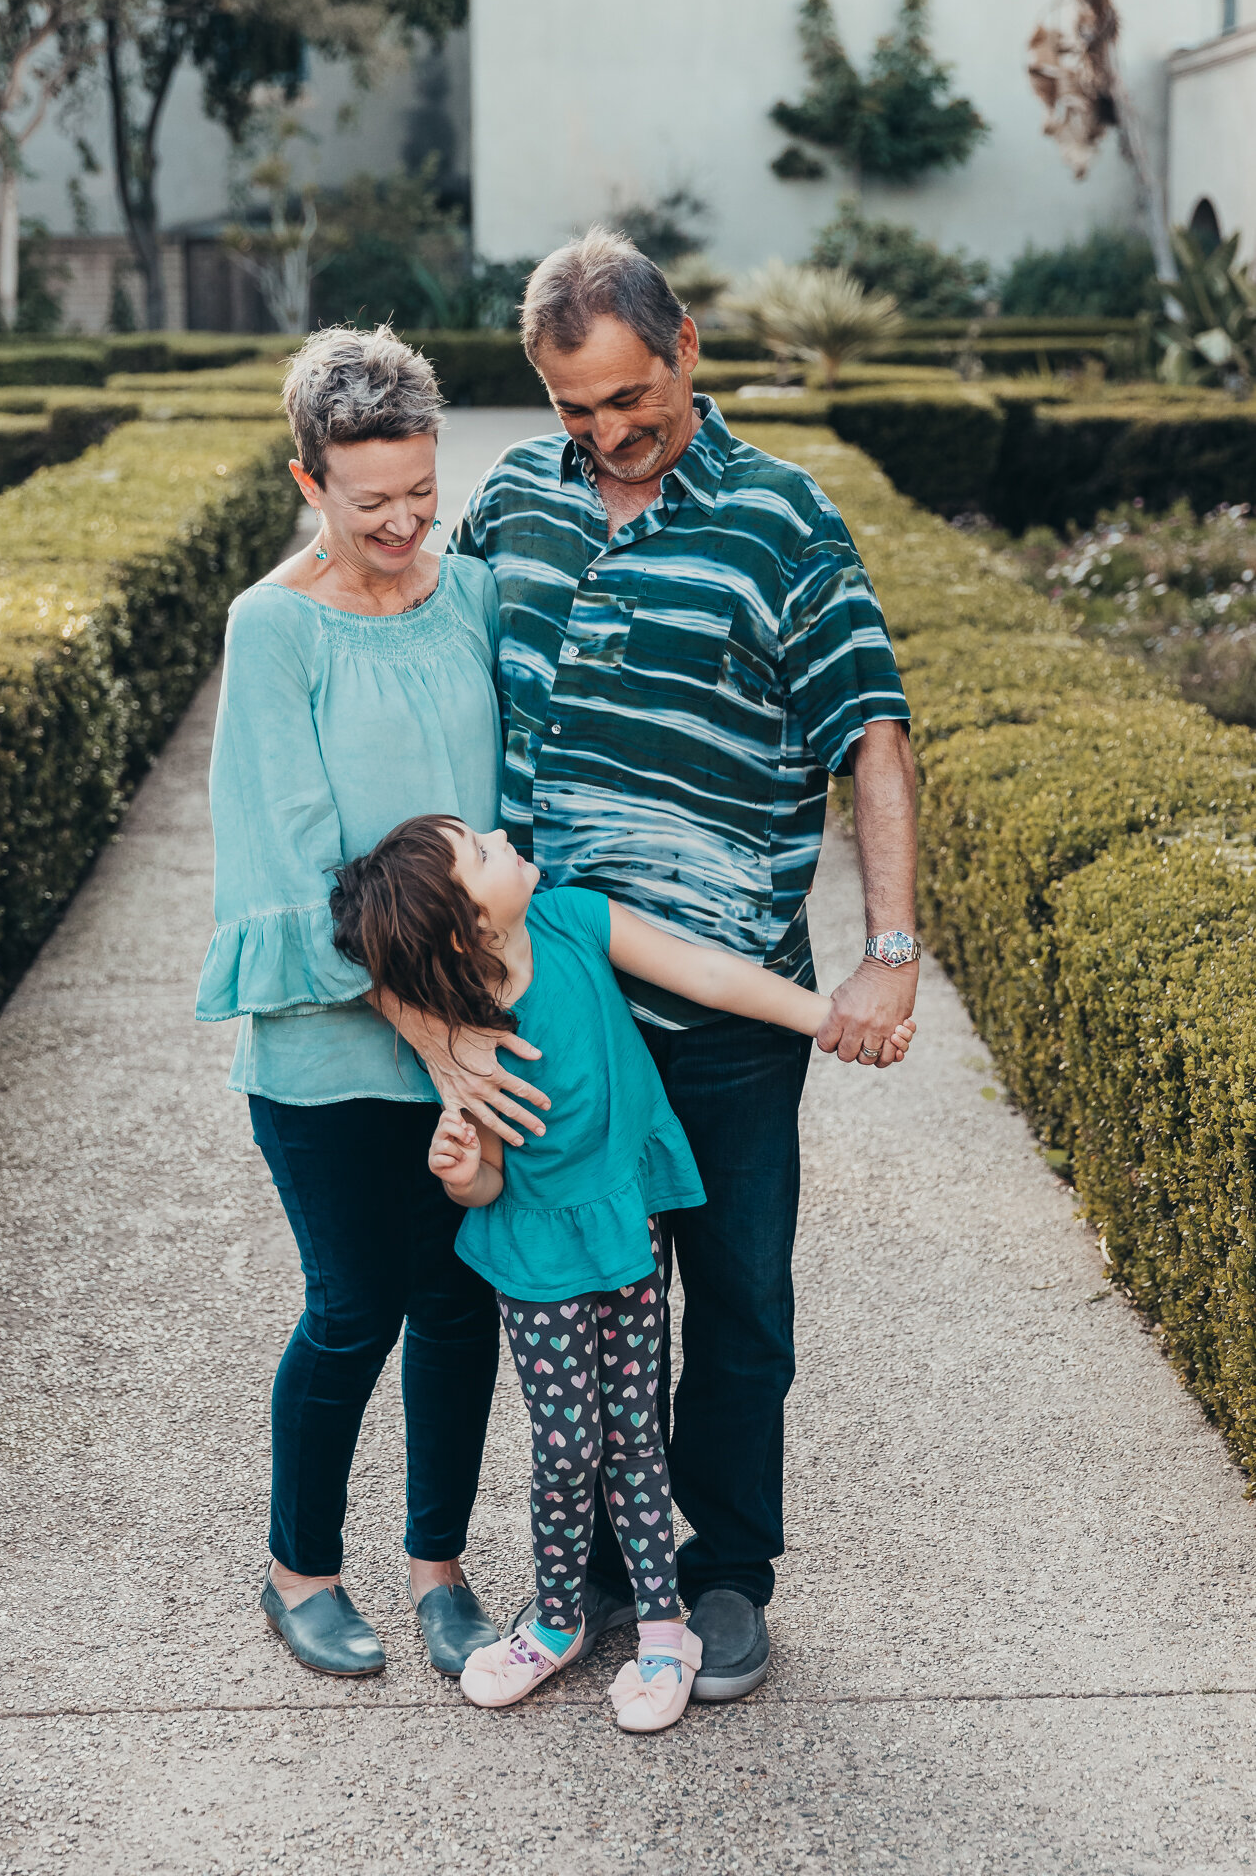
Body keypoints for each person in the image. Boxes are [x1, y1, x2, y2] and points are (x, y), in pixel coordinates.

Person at [444, 228, 920, 1700]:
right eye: (576, 405)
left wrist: (889, 950)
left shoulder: (783, 520)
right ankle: (594, 1573)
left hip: (721, 1012)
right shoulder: (513, 501)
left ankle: (721, 1574)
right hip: (551, 1009)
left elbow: (874, 735)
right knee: (576, 1305)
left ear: (689, 345)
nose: (608, 432)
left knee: (738, 1308)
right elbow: (423, 667)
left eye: (632, 395)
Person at [329, 814, 913, 1732]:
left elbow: (705, 971)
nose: (495, 832)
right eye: (478, 851)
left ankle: (662, 1629)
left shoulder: (573, 919)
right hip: (532, 1260)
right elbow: (483, 1184)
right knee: (564, 1451)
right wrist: (458, 1172)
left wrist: (826, 1017)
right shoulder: (464, 1034)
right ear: (467, 931)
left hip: (621, 1231)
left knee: (633, 1437)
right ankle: (557, 1617)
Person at [195, 324, 548, 1681]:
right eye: (371, 503)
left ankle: (440, 1572)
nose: (404, 524)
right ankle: (299, 1574)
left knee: (461, 1305)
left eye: (421, 494)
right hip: (328, 1048)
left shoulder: (471, 597)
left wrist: (487, 1024)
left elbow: (506, 817)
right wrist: (437, 1040)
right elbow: (293, 879)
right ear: (308, 483)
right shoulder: (274, 629)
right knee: (353, 1307)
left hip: (471, 1030)